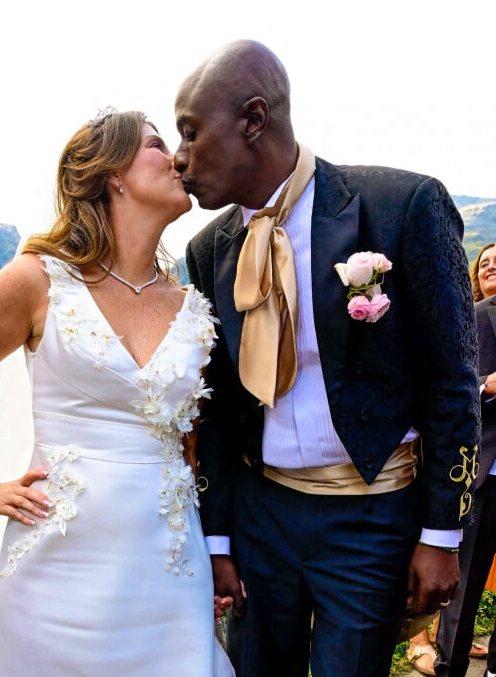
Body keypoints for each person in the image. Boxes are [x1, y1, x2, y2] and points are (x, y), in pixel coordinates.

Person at [172, 39, 480, 677]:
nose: (179, 159)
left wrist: (441, 533)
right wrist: (220, 538)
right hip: (260, 520)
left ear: (254, 121)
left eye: (190, 133)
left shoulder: (402, 208)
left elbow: (453, 381)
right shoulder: (208, 251)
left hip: (371, 514)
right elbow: (220, 410)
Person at [0, 108, 235, 677]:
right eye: (157, 145)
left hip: (169, 574)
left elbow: (192, 446)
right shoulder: (38, 280)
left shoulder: (193, 308)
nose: (177, 159)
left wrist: (215, 554)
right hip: (53, 572)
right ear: (113, 173)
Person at [432, 242, 496, 677]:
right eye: (485, 262)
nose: (491, 266)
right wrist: (486, 386)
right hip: (484, 474)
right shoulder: (473, 317)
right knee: (466, 579)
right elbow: (449, 379)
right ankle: (448, 667)